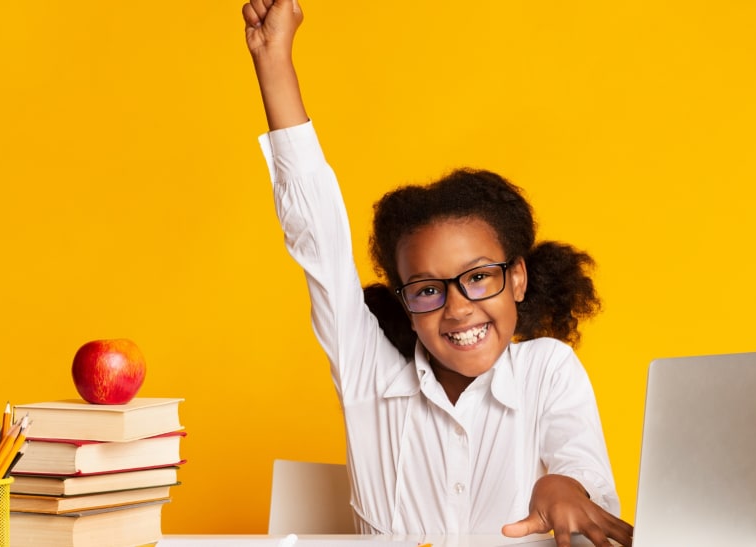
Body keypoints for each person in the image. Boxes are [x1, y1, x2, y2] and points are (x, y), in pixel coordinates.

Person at [242, 1, 634, 546]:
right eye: (428, 289)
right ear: (405, 300)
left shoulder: (547, 369)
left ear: (516, 277)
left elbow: (579, 468)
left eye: (478, 277)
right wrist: (272, 57)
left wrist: (564, 489)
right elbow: (317, 241)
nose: (457, 307)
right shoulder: (369, 378)